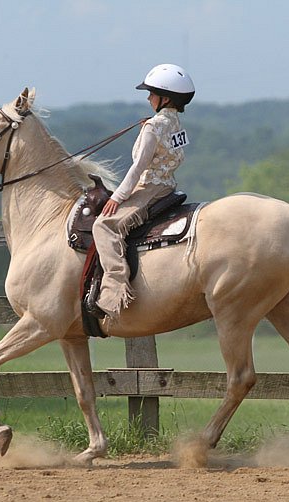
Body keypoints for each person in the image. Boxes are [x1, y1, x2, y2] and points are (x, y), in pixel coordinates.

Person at [87, 63, 195, 321]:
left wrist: (117, 197)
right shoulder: (175, 123)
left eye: (151, 94)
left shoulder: (153, 127)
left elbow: (138, 169)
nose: (148, 98)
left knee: (104, 226)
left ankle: (115, 290)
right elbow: (173, 153)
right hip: (168, 184)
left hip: (149, 188)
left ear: (164, 98)